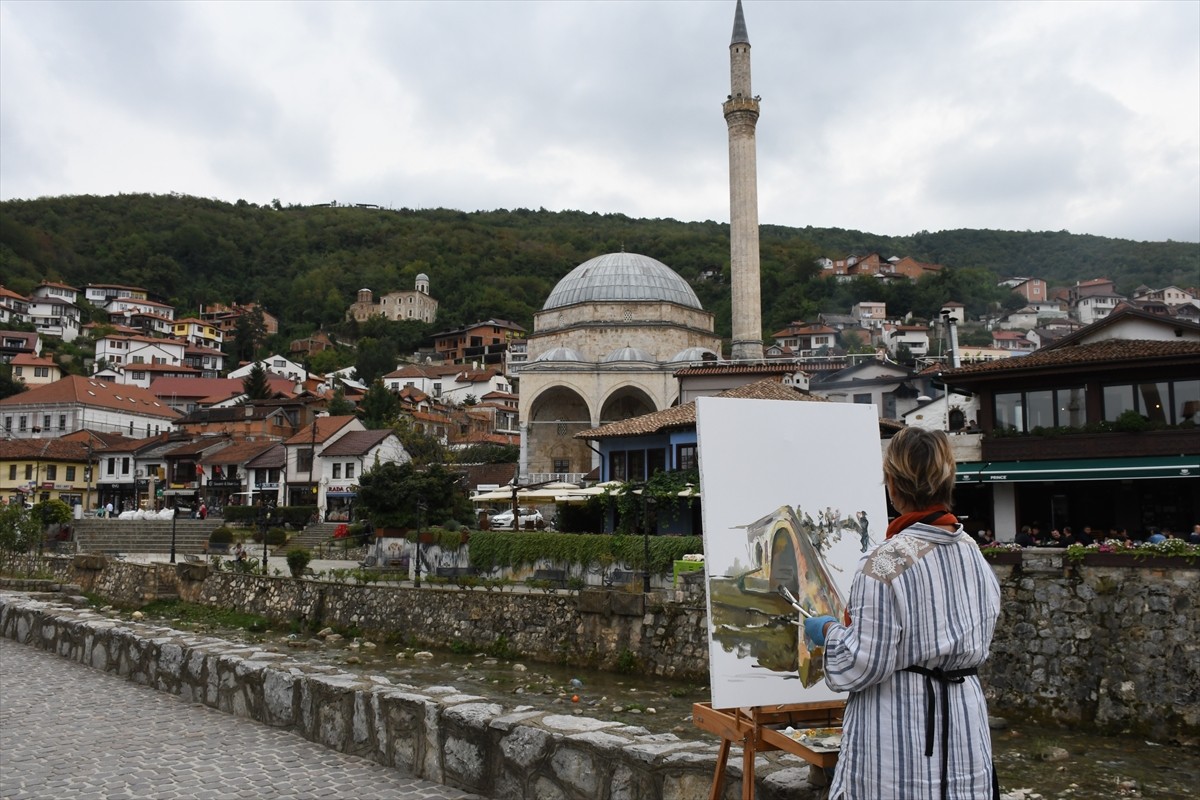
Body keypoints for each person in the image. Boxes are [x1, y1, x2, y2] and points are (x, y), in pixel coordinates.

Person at [804, 426, 1001, 800]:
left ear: (892, 485)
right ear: (947, 481)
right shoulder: (972, 550)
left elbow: (863, 663)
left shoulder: (887, 560)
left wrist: (829, 631)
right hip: (964, 717)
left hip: (903, 725)